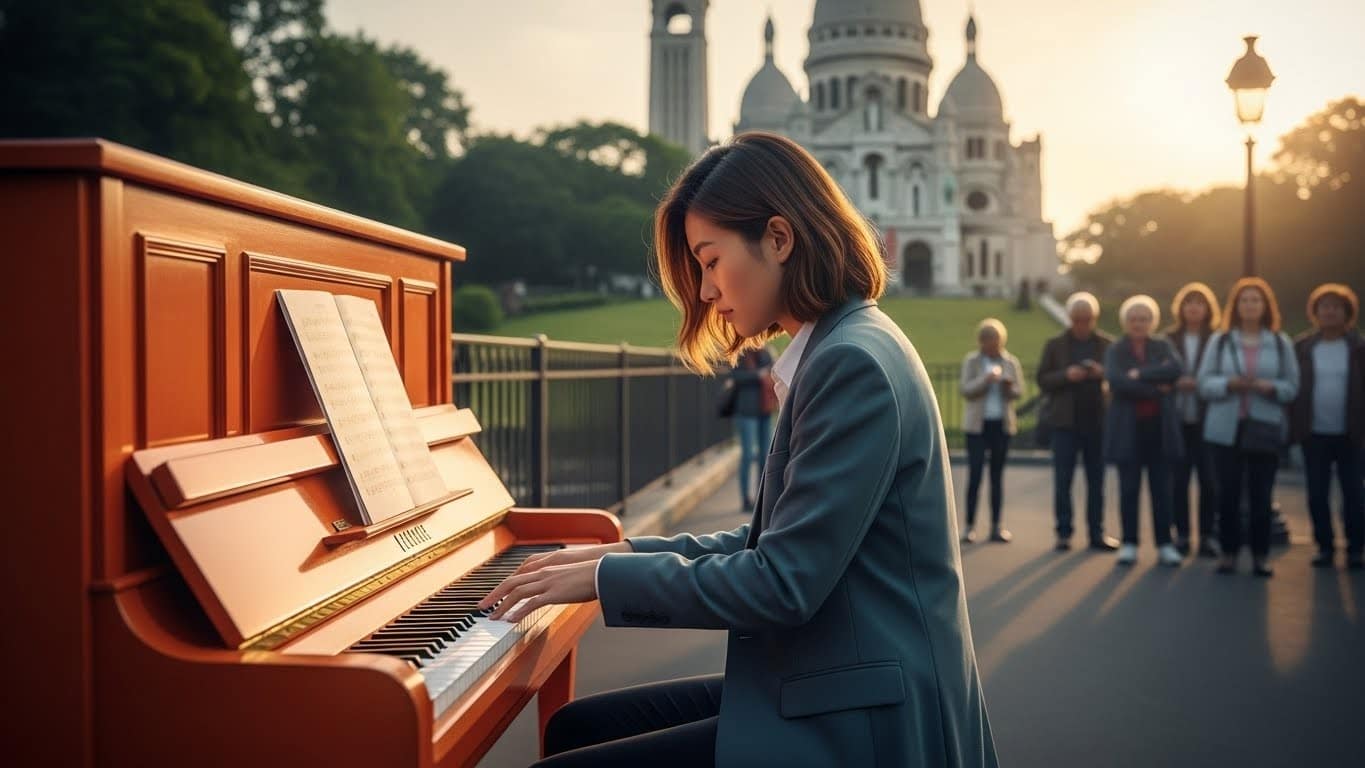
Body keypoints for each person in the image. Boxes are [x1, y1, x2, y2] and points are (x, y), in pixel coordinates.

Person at [478, 132, 998, 767]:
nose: (703, 291)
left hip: (868, 712)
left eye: (709, 259)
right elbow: (771, 545)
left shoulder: (849, 363)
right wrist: (620, 552)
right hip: (844, 673)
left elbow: (782, 584)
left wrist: (605, 578)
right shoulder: (839, 343)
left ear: (779, 239)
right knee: (575, 727)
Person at [1196, 277, 1299, 577]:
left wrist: (1270, 387)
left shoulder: (1280, 343)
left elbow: (1292, 386)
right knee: (1226, 493)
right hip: (1226, 428)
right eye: (1244, 300)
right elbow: (1204, 383)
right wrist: (1229, 383)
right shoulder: (1221, 341)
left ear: (1266, 306)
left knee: (1261, 495)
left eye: (1256, 300)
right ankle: (1228, 552)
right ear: (1236, 306)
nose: (1250, 305)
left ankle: (1259, 555)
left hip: (1264, 426)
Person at [1104, 295, 1185, 567]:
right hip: (1129, 429)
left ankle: (1165, 543)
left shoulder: (1162, 345)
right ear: (1126, 322)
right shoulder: (1116, 350)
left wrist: (1139, 374)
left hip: (1158, 429)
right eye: (1134, 319)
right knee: (1129, 489)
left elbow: (1175, 369)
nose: (1139, 323)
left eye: (1144, 319)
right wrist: (1155, 384)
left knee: (1162, 489)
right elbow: (1117, 382)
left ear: (1152, 321)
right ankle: (1129, 542)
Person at [1290, 284, 1365, 570]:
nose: (1330, 311)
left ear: (1347, 313)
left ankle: (1356, 547)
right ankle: (1325, 546)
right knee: (1317, 492)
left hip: (1352, 433)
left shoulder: (1359, 348)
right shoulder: (1304, 347)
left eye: (1336, 307)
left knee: (1354, 492)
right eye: (1324, 307)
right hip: (1314, 432)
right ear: (1315, 313)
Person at [1037, 292, 1119, 552]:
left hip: (1097, 421)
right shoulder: (1055, 345)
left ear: (1094, 318)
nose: (1082, 323)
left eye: (1087, 318)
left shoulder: (1108, 345)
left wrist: (1102, 373)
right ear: (1070, 318)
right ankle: (1063, 532)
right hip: (1065, 423)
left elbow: (1120, 378)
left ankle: (1096, 532)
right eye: (1077, 318)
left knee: (1097, 482)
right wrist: (1066, 375)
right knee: (1063, 481)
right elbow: (1043, 379)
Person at [1167, 282, 1221, 557]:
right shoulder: (1168, 339)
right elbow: (1161, 373)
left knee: (1209, 480)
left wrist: (1198, 384)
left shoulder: (1218, 339)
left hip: (1206, 418)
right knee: (1179, 480)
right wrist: (1177, 382)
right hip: (1177, 419)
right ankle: (1183, 534)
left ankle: (1208, 535)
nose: (1194, 308)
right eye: (1189, 302)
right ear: (1181, 307)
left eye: (1199, 303)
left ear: (1207, 308)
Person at [960, 318, 1023, 544]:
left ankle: (997, 526)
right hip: (977, 427)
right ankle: (969, 526)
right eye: (988, 341)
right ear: (981, 341)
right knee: (975, 476)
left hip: (1001, 425)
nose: (992, 345)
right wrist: (985, 380)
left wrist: (1008, 387)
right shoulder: (972, 362)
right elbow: (965, 390)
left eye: (995, 341)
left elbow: (1018, 391)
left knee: (997, 477)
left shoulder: (1010, 362)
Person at [730, 345, 776, 509]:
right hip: (746, 412)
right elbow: (735, 376)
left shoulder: (766, 352)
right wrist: (757, 375)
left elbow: (774, 371)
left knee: (766, 456)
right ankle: (745, 499)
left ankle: (761, 500)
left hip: (765, 410)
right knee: (748, 456)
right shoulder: (740, 353)